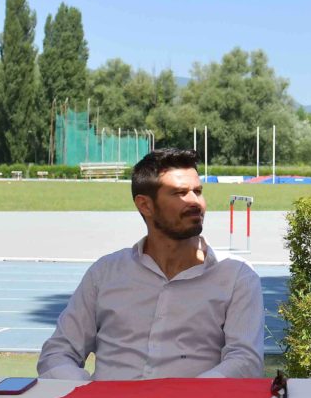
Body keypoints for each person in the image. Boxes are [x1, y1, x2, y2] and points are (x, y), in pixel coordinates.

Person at [38, 148, 264, 381]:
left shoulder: (236, 275)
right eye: (179, 193)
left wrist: (190, 395)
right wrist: (87, 393)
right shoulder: (105, 273)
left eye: (198, 191)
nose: (195, 202)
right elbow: (58, 353)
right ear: (145, 205)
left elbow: (245, 361)